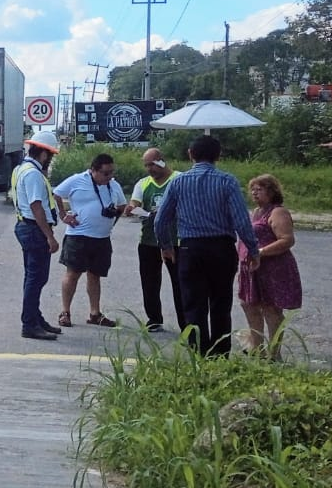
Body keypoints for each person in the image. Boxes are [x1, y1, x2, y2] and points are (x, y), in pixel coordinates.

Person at [154, 135, 259, 358]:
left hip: (190, 249)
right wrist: (252, 248)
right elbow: (241, 220)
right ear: (218, 156)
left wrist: (166, 246)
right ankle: (220, 355)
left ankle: (199, 354)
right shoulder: (227, 181)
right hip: (222, 248)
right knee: (221, 303)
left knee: (193, 304)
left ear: (190, 154)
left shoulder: (178, 182)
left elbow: (160, 220)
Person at [53, 153, 126, 329]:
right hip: (79, 236)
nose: (109, 177)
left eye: (111, 173)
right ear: (93, 170)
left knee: (95, 275)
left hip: (102, 238)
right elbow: (56, 193)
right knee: (73, 274)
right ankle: (65, 312)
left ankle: (95, 313)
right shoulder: (77, 180)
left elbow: (122, 206)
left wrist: (111, 222)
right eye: (105, 173)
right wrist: (63, 215)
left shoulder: (113, 185)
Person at [237, 174, 301, 359]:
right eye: (252, 189)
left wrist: (261, 252)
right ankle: (258, 350)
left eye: (260, 189)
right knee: (248, 304)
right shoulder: (256, 212)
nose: (255, 193)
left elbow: (287, 240)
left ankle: (274, 354)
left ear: (272, 191)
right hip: (251, 269)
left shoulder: (278, 212)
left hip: (272, 267)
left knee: (271, 309)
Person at [124, 148, 183, 332]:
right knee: (149, 281)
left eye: (153, 164)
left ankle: (186, 321)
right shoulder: (143, 184)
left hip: (176, 240)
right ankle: (154, 318)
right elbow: (136, 203)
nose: (150, 169)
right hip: (149, 239)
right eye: (147, 165)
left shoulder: (179, 179)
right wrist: (132, 208)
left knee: (179, 283)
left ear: (162, 161)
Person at [11, 130, 62, 341]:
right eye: (50, 156)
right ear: (43, 154)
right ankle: (30, 323)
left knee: (33, 277)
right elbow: (36, 206)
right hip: (34, 229)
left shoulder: (21, 169)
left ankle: (35, 318)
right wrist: (50, 236)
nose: (50, 160)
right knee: (37, 278)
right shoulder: (33, 174)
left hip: (26, 227)